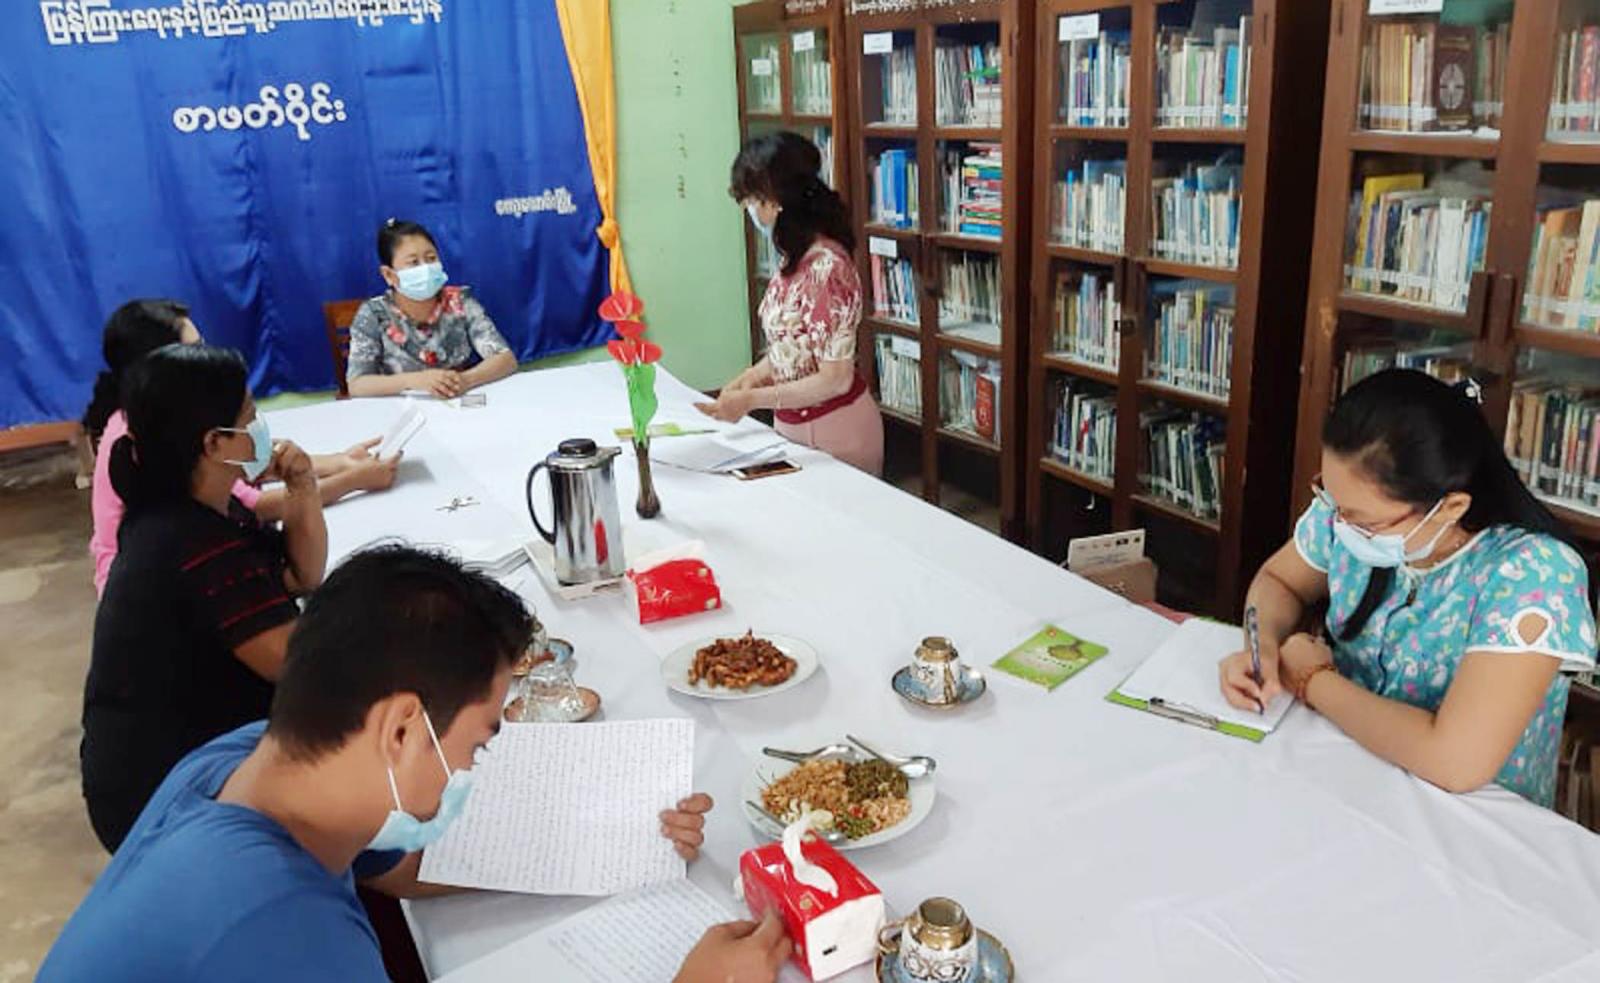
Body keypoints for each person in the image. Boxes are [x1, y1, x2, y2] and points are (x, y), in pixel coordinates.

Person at [42, 546, 793, 983]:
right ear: (402, 726)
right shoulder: (283, 928)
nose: (477, 766)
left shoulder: (251, 757)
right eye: (479, 742)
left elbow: (397, 866)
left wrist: (620, 832)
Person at [1219, 370, 1597, 806]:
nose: (1339, 523)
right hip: (1343, 767)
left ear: (1450, 508)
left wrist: (1312, 680)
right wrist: (1262, 647)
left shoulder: (1533, 574)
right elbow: (1279, 580)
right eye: (1332, 500)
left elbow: (1454, 762)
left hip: (1464, 816)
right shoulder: (1348, 513)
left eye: (1362, 519)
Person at [83, 343, 330, 852]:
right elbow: (304, 669)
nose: (261, 428)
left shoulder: (196, 510)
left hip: (169, 767)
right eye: (250, 416)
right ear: (215, 443)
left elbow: (301, 575)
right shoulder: (192, 543)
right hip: (165, 802)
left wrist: (303, 486)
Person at [84, 298, 400, 596]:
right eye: (194, 350)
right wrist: (352, 480)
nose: (206, 357)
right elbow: (256, 504)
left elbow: (254, 462)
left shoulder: (156, 417)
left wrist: (338, 461)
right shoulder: (154, 440)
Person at [698, 131, 884, 475]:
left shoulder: (828, 268)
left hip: (838, 433)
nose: (751, 212)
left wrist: (752, 400)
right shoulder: (794, 260)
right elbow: (795, 346)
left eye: (753, 201)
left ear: (776, 201)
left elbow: (835, 379)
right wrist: (752, 377)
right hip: (793, 428)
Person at [346, 219, 517, 398]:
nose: (426, 268)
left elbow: (505, 359)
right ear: (389, 274)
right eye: (414, 262)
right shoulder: (373, 314)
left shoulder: (459, 301)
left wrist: (466, 380)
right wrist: (414, 381)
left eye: (431, 259)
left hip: (458, 400)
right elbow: (357, 385)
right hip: (402, 407)